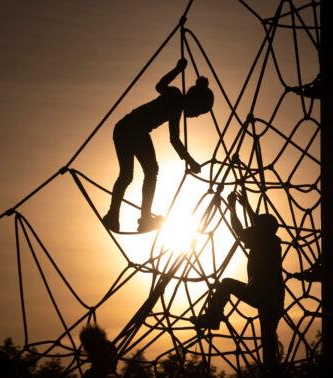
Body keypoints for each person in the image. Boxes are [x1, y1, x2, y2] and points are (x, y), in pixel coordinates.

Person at [102, 58, 214, 232]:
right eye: (199, 111)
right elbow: (160, 86)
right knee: (142, 173)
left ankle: (119, 216)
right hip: (131, 129)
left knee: (131, 175)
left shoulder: (177, 108)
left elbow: (174, 139)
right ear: (195, 101)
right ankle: (131, 218)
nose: (196, 116)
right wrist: (177, 69)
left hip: (130, 129)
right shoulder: (175, 96)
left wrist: (190, 161)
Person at [191, 191, 284, 370]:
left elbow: (240, 231)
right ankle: (272, 368)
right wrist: (246, 205)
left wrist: (232, 207)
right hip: (273, 296)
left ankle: (212, 318)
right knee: (268, 338)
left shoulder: (264, 240)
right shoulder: (270, 239)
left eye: (257, 226)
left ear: (261, 229)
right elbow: (258, 223)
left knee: (226, 284)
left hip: (263, 294)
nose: (254, 227)